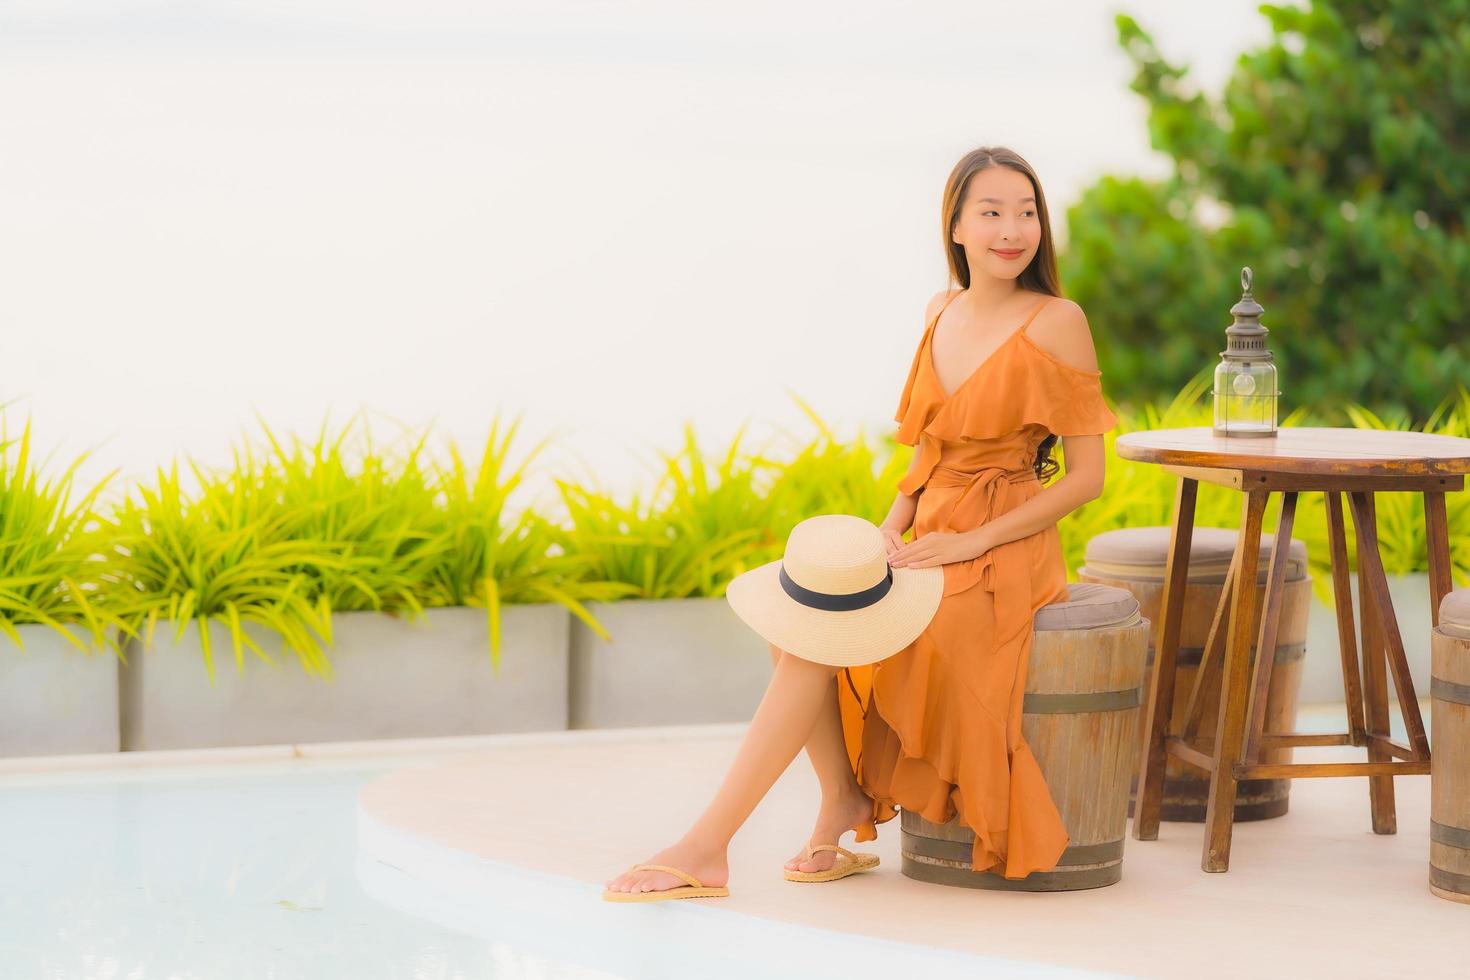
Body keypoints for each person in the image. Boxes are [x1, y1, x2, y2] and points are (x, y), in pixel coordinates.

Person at [603, 145, 1117, 901]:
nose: (1014, 229)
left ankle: (706, 846)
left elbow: (1087, 479)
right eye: (993, 212)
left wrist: (970, 539)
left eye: (1028, 211)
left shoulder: (1057, 320)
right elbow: (928, 445)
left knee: (822, 642)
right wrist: (892, 522)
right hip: (928, 532)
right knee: (799, 623)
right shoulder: (938, 310)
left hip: (1003, 548)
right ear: (956, 225)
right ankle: (840, 797)